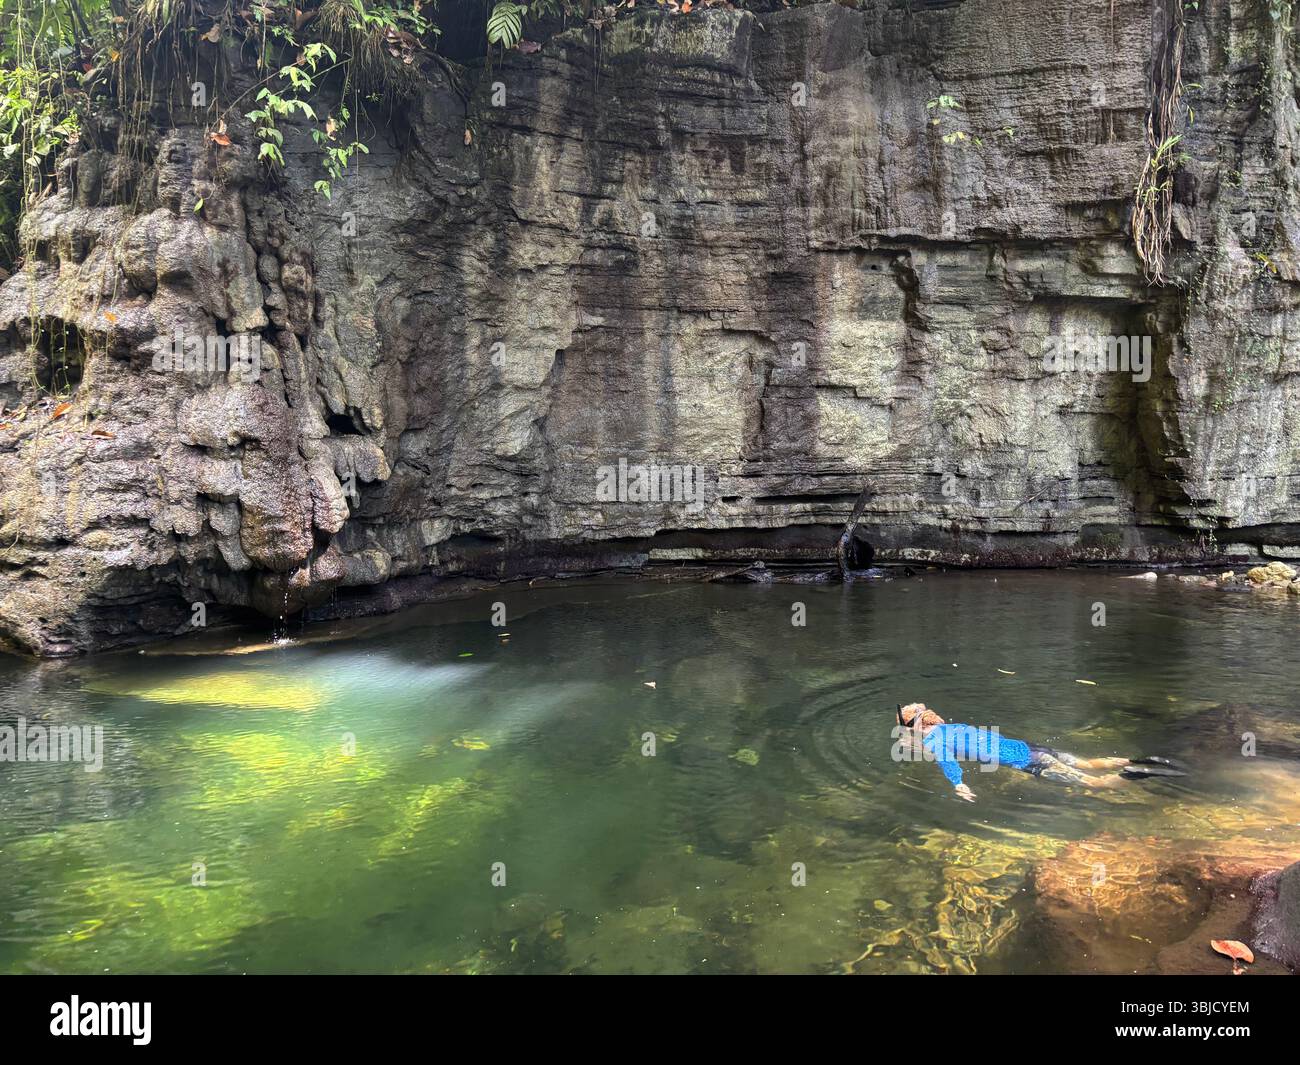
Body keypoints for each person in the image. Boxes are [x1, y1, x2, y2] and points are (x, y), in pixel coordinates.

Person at [894, 702, 1185, 802]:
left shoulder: (933, 743)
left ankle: (1137, 773)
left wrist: (958, 785)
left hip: (1029, 761)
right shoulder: (954, 727)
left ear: (913, 727)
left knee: (1096, 785)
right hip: (1030, 747)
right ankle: (1136, 760)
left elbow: (948, 763)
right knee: (1087, 763)